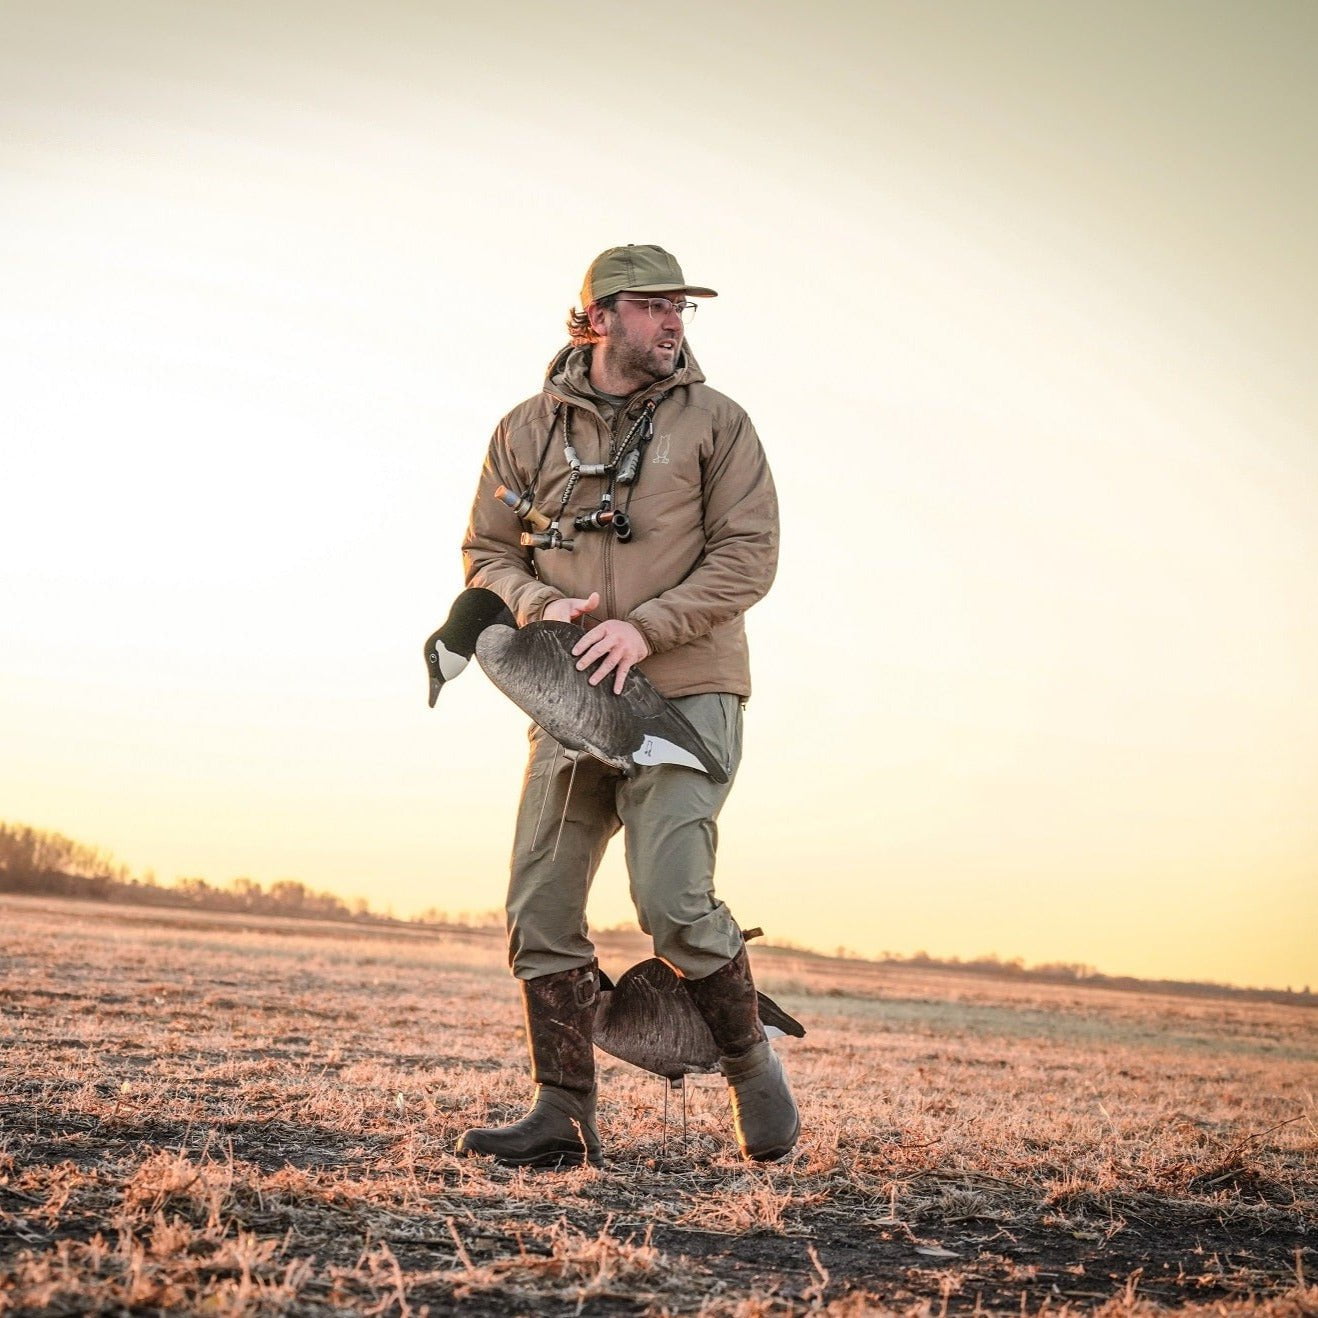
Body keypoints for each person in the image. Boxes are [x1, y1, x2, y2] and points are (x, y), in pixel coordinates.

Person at [456, 244, 797, 1167]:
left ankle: (750, 1063)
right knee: (540, 903)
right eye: (653, 306)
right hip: (570, 697)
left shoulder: (721, 424)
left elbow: (748, 556)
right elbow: (486, 552)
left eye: (681, 306)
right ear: (599, 317)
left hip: (687, 690)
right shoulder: (523, 430)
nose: (674, 322)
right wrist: (535, 605)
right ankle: (563, 1115)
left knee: (673, 902)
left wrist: (647, 627)